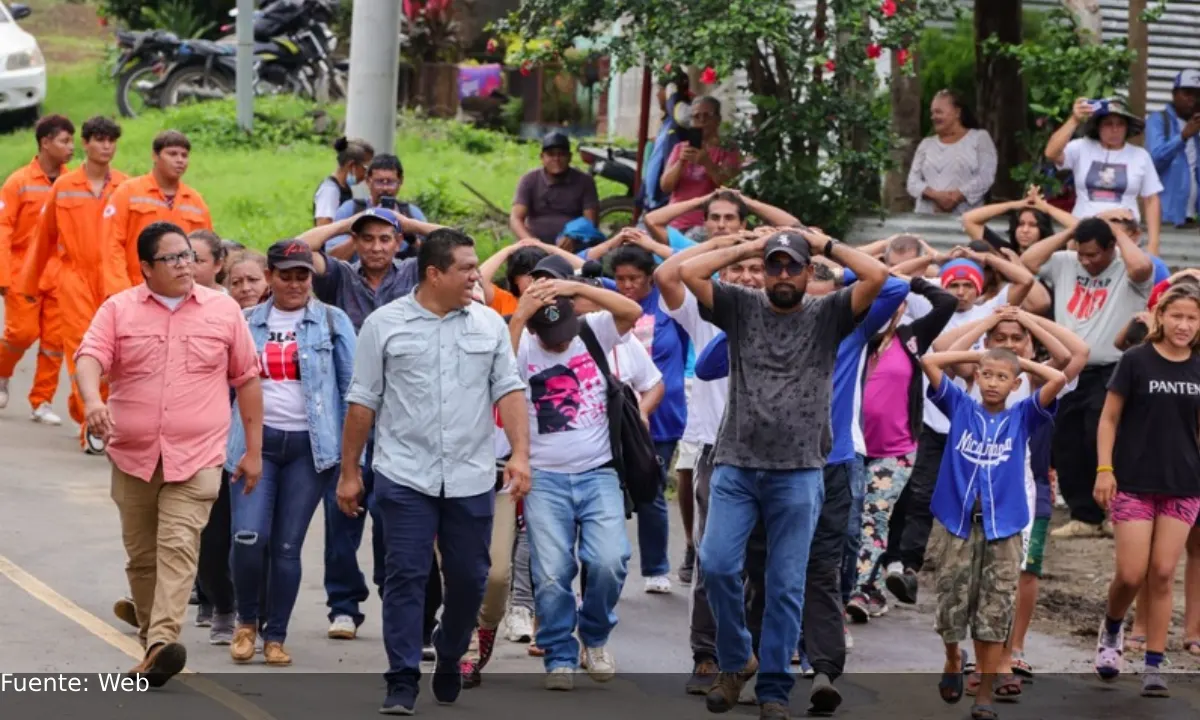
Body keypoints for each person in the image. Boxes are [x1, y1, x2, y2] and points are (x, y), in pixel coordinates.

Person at [680, 228, 886, 718]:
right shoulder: (741, 305)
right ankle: (737, 661)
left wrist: (826, 245)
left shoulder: (828, 313)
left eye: (793, 265)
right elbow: (684, 271)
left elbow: (879, 275)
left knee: (786, 585)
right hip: (736, 465)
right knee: (717, 564)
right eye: (775, 265)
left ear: (808, 270)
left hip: (798, 472)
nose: (784, 273)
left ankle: (773, 690)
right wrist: (749, 248)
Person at [335, 228, 530, 715]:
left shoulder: (487, 325)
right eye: (466, 267)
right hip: (404, 474)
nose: (475, 275)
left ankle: (449, 650)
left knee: (471, 577)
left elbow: (509, 390)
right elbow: (362, 401)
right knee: (406, 576)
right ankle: (401, 678)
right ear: (434, 273)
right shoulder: (384, 325)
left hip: (469, 474)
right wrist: (349, 472)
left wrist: (522, 455)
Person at [74, 221, 263, 688]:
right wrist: (93, 401)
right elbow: (89, 357)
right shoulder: (118, 309)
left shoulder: (223, 311)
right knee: (142, 557)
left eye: (188, 257)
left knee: (178, 547)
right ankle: (151, 642)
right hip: (133, 454)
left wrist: (253, 451)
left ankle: (161, 639)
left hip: (197, 455)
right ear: (145, 268)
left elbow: (247, 379)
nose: (184, 266)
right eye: (172, 259)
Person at [294, 209, 443, 642]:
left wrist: (408, 223)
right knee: (343, 514)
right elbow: (298, 246)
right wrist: (347, 222)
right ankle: (343, 605)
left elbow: (456, 240)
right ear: (356, 243)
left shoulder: (416, 272)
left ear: (398, 242)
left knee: (392, 517)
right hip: (349, 415)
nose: (377, 248)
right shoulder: (339, 277)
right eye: (368, 239)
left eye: (385, 239)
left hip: (403, 416)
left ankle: (394, 598)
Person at [935, 307, 1089, 693]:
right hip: (972, 498)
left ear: (1030, 350)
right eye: (999, 338)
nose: (1007, 344)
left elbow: (1076, 355)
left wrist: (1027, 323)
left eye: (1016, 338)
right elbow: (939, 348)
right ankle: (981, 659)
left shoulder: (1034, 384)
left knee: (1020, 575)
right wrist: (990, 326)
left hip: (1026, 490)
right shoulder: (976, 381)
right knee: (969, 582)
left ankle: (1010, 654)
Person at [508, 266, 644, 690]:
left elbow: (632, 309)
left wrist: (574, 287)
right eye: (551, 337)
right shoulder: (523, 348)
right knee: (551, 571)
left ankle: (596, 636)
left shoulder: (592, 331)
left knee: (609, 560)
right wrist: (517, 314)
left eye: (565, 330)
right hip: (544, 478)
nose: (560, 342)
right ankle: (559, 652)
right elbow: (494, 362)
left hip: (599, 472)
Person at [881, 246, 1038, 605]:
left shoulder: (991, 309)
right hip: (934, 420)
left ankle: (947, 573)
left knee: (969, 500)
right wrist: (926, 259)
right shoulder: (933, 306)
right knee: (918, 493)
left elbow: (1025, 279)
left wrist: (983, 258)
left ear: (979, 289)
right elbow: (934, 347)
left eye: (969, 285)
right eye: (955, 284)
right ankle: (904, 564)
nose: (962, 291)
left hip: (975, 428)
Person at [226, 239, 357, 666]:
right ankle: (247, 621)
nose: (296, 283)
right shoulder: (244, 322)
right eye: (286, 275)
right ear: (269, 277)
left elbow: (352, 391)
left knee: (285, 547)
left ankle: (275, 635)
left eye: (303, 275)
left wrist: (351, 463)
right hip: (253, 445)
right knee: (248, 537)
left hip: (310, 451)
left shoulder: (333, 323)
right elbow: (223, 385)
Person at [920, 347, 1064, 720]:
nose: (993, 383)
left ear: (1016, 384)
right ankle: (954, 657)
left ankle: (983, 693)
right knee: (951, 602)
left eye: (1003, 378)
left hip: (1005, 528)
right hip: (958, 524)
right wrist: (983, 353)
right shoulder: (961, 407)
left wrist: (1016, 362)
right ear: (978, 377)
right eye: (987, 375)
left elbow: (1058, 378)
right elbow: (930, 362)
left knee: (995, 609)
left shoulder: (1024, 415)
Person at [1092, 284, 1200, 698]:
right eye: (1177, 316)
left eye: (1192, 318)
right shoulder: (1136, 361)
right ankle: (1114, 627)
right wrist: (1105, 469)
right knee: (1132, 573)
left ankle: (1155, 663)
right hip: (1133, 481)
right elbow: (1108, 419)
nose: (1184, 325)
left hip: (1184, 485)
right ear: (1160, 317)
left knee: (1162, 573)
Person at [1020, 217, 1155, 538]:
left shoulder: (1127, 269)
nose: (1085, 260)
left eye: (1093, 254)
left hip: (1113, 368)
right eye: (1082, 253)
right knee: (1065, 439)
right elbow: (1028, 261)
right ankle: (1084, 515)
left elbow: (1142, 267)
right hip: (1067, 366)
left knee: (1104, 438)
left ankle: (1116, 512)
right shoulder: (1067, 261)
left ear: (1111, 247)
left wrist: (1117, 230)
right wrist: (1072, 230)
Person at [846, 274, 957, 623]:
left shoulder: (911, 338)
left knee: (874, 518)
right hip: (851, 447)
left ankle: (858, 590)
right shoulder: (853, 335)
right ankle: (873, 586)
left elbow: (947, 303)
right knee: (851, 521)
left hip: (895, 450)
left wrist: (909, 281)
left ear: (902, 308)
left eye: (893, 303)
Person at [18, 115, 126, 449]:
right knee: (81, 351)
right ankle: (92, 424)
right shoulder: (64, 188)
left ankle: (93, 412)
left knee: (115, 353)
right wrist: (28, 285)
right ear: (86, 143)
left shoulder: (125, 186)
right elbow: (43, 238)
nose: (106, 146)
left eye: (111, 140)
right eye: (99, 139)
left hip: (115, 283)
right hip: (74, 279)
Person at [607, 243, 689, 594]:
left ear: (651, 279)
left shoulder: (670, 305)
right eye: (620, 279)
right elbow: (580, 271)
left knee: (651, 490)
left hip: (661, 417)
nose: (627, 286)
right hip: (612, 419)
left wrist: (657, 248)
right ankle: (609, 568)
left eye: (635, 279)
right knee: (609, 492)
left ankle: (656, 568)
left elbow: (687, 266)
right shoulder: (608, 304)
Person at [0, 114, 75, 424]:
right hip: (23, 271)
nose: (71, 148)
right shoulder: (19, 181)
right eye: (65, 141)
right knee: (22, 332)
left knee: (55, 342)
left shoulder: (74, 184)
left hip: (60, 274)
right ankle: (2, 373)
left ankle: (42, 400)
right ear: (46, 143)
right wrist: (3, 275)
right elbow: (3, 228)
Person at [101, 130, 213, 298]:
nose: (180, 160)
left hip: (181, 294)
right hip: (137, 290)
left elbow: (205, 251)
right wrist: (121, 291)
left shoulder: (195, 202)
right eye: (172, 154)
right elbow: (111, 245)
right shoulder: (128, 192)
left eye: (184, 155)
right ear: (155, 155)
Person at [1044, 97, 1163, 254]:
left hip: (1124, 238)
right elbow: (1051, 153)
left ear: (1127, 128)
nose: (1115, 129)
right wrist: (1074, 120)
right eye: (1108, 124)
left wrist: (1153, 244)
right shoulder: (1081, 147)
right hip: (1082, 232)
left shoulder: (1140, 156)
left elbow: (1151, 199)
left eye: (1120, 124)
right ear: (1097, 126)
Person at [907, 90, 997, 215]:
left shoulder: (980, 138)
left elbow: (985, 176)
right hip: (926, 220)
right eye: (932, 113)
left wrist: (956, 196)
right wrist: (936, 196)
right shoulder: (926, 144)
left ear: (957, 112)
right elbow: (912, 182)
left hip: (968, 220)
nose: (933, 117)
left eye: (939, 112)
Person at [660, 97, 742, 232]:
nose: (702, 121)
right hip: (677, 221)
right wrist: (681, 162)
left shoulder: (728, 149)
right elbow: (665, 187)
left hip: (708, 223)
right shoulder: (681, 148)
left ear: (718, 119)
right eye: (697, 116)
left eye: (707, 116)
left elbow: (729, 185)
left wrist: (707, 163)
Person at [510, 131, 600, 245]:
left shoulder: (585, 181)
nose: (556, 159)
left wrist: (574, 238)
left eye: (561, 154)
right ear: (542, 157)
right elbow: (516, 219)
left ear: (569, 157)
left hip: (574, 243)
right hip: (534, 244)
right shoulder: (529, 180)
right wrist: (531, 242)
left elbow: (590, 222)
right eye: (551, 154)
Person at [327, 154, 428, 254]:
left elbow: (435, 255)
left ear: (400, 181)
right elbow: (332, 258)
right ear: (368, 181)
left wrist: (412, 239)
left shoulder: (411, 213)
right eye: (379, 182)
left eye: (390, 182)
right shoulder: (350, 210)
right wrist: (358, 235)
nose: (385, 188)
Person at [1145, 69, 1200, 227]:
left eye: (1198, 95)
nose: (1194, 99)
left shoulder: (1196, 130)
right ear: (1174, 94)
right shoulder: (1158, 120)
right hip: (1166, 219)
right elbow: (1154, 161)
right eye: (1188, 93)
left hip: (1191, 219)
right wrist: (1183, 136)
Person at [962, 185, 1077, 255]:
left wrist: (1047, 208)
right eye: (1021, 224)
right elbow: (969, 219)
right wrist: (1016, 204)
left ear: (1043, 229)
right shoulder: (1004, 252)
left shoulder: (1055, 255)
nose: (1025, 230)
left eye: (1032, 225)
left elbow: (1081, 228)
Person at [641, 71, 690, 213]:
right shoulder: (667, 122)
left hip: (667, 200)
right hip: (652, 201)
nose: (657, 95)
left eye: (660, 90)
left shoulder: (682, 118)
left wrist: (673, 96)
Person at [314, 137, 374, 226]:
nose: (367, 174)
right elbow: (323, 227)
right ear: (351, 165)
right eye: (366, 168)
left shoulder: (345, 188)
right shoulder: (330, 190)